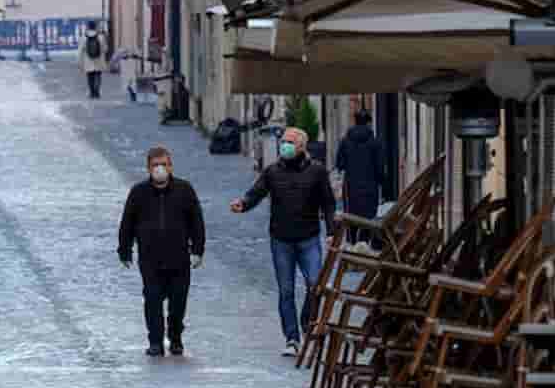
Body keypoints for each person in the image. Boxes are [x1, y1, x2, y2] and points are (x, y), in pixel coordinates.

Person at [231, 127, 336, 356]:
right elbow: (256, 192)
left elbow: (328, 202)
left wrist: (331, 231)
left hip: (309, 237)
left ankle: (308, 321)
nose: (284, 145)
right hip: (281, 240)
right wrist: (243, 203)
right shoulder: (272, 172)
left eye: (289, 142)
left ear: (301, 146)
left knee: (315, 285)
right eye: (283, 141)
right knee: (286, 290)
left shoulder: (317, 172)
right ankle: (291, 338)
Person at [118, 146, 206, 357]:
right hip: (150, 258)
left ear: (171, 166)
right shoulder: (138, 193)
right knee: (152, 299)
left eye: (163, 165)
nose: (160, 169)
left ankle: (175, 337)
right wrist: (125, 250)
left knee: (178, 300)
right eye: (155, 165)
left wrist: (198, 250)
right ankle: (155, 341)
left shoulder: (185, 190)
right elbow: (127, 222)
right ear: (148, 168)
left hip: (179, 257)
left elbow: (196, 221)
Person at [335, 108, 386, 245]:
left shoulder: (345, 142)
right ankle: (363, 247)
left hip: (350, 188)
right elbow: (380, 168)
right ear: (369, 123)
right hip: (370, 188)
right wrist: (382, 183)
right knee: (368, 220)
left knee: (351, 218)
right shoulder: (376, 143)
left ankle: (351, 246)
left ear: (355, 122)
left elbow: (339, 164)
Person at [78, 21, 106, 99]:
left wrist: (80, 62)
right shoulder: (101, 37)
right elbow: (105, 49)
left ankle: (92, 92)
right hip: (98, 60)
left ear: (88, 27)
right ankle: (97, 92)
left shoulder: (83, 37)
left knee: (90, 77)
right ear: (95, 27)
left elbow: (80, 51)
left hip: (88, 61)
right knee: (98, 75)